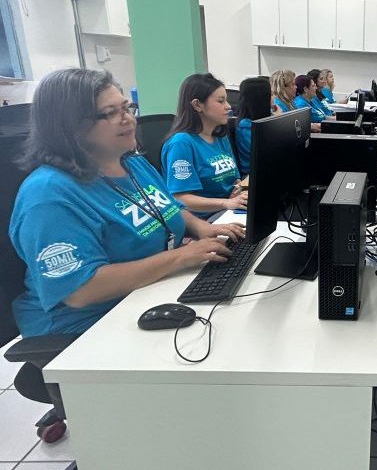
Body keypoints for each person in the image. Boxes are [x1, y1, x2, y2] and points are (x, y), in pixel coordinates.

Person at [10, 69, 244, 337]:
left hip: (147, 294)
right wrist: (180, 257)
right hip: (85, 327)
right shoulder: (48, 196)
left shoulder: (132, 163)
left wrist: (200, 228)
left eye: (127, 107)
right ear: (70, 125)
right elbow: (81, 290)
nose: (129, 120)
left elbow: (171, 206)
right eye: (111, 113)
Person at [161, 73, 247, 218]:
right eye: (221, 101)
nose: (228, 106)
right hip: (204, 221)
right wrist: (225, 203)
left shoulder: (220, 136)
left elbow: (234, 179)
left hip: (228, 212)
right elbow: (180, 198)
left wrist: (239, 188)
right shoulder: (181, 143)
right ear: (197, 105)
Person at [235, 76, 272, 175]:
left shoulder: (263, 120)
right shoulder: (246, 127)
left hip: (266, 170)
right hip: (252, 176)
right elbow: (267, 154)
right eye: (271, 95)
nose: (274, 98)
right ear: (261, 99)